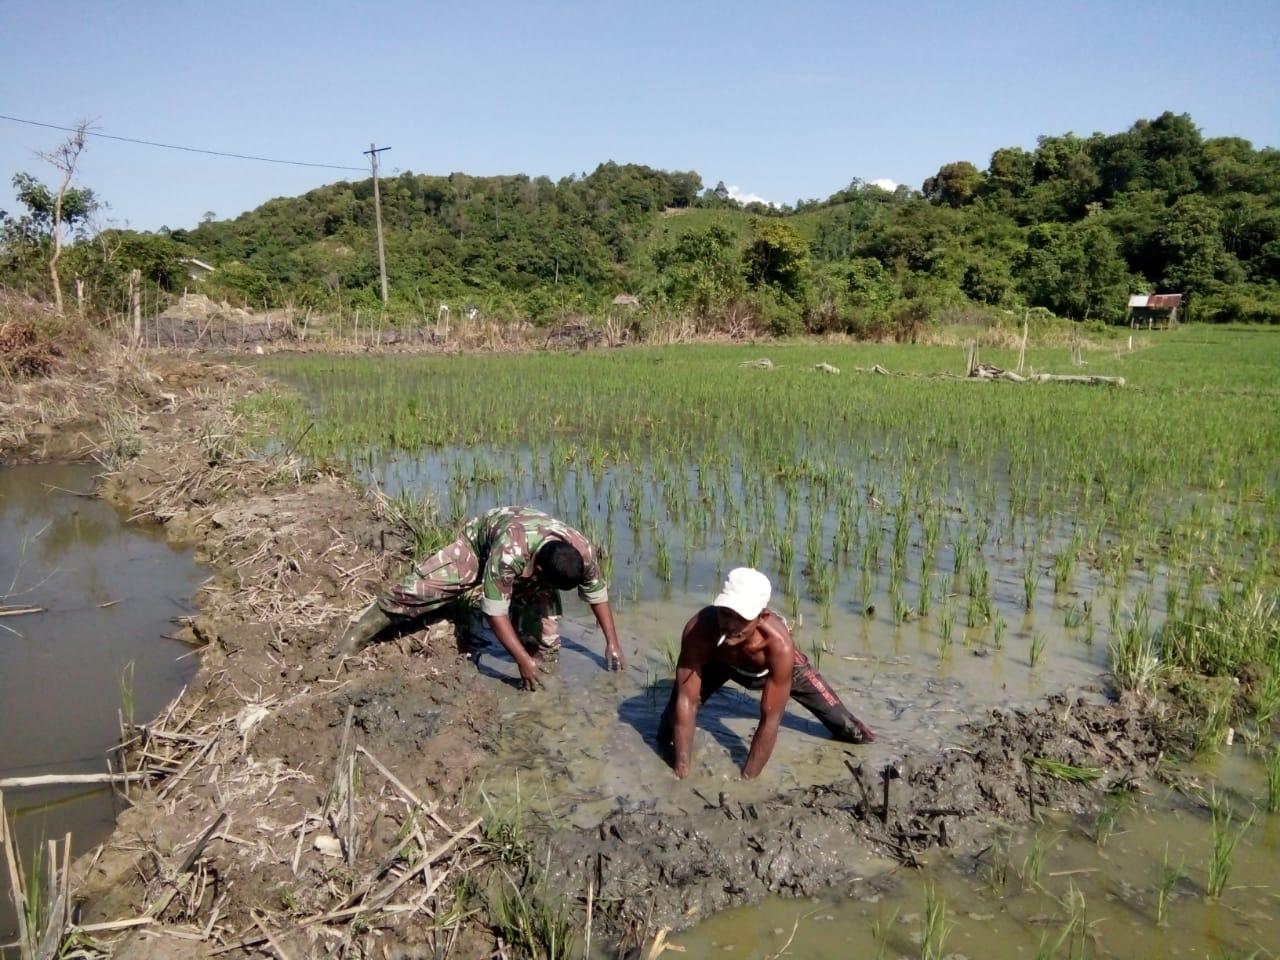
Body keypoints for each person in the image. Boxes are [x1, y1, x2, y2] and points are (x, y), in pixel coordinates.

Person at [335, 505, 624, 689]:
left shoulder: (581, 552)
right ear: (537, 568)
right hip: (481, 544)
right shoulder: (510, 551)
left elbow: (597, 593)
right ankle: (356, 635)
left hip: (535, 562)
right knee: (420, 590)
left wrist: (612, 643)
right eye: (544, 582)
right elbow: (493, 612)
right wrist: (521, 659)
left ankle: (538, 685)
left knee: (546, 643)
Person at [658, 567, 874, 779]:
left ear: (762, 617)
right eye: (724, 613)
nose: (730, 625)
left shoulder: (779, 646)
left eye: (741, 618)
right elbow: (687, 700)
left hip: (775, 671)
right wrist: (681, 771)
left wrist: (748, 780)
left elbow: (770, 719)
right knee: (665, 731)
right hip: (721, 663)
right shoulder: (699, 630)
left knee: (850, 731)